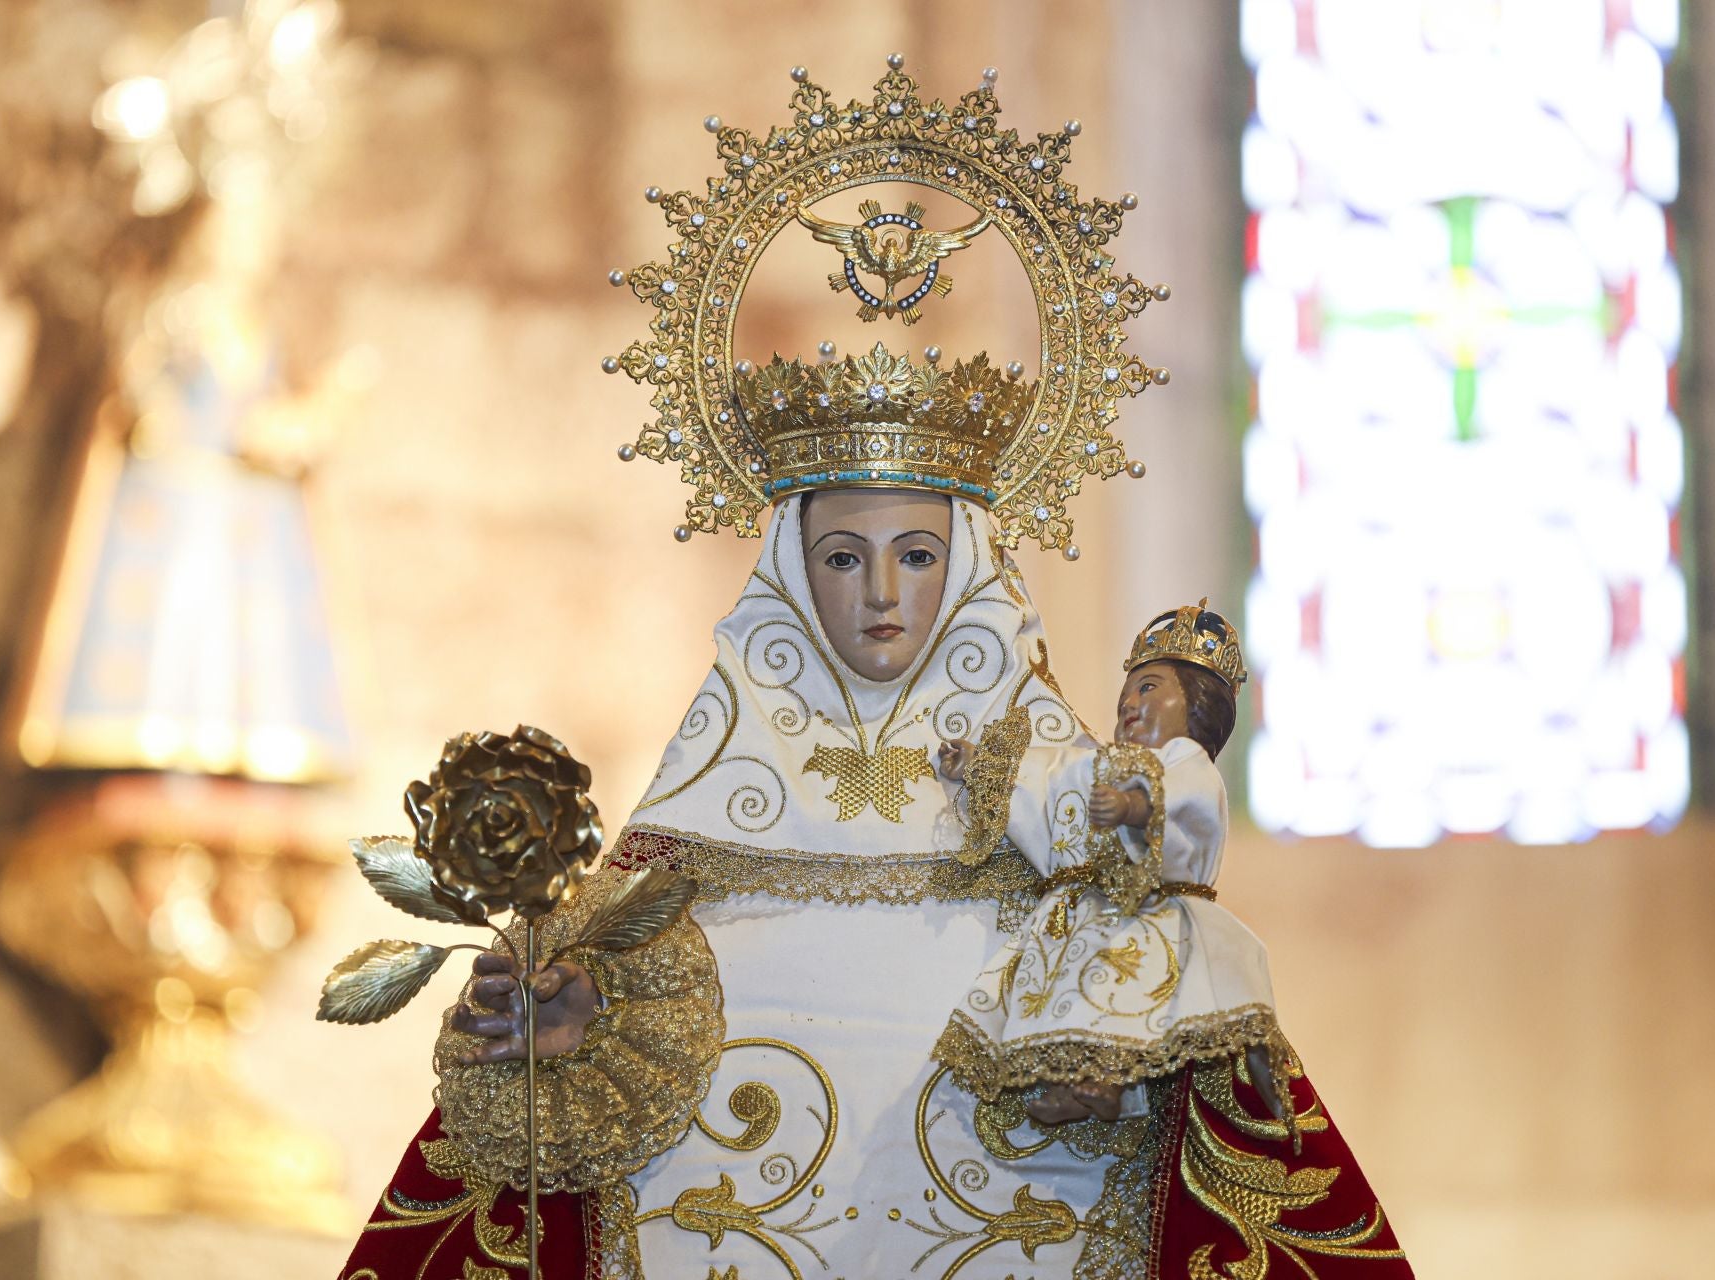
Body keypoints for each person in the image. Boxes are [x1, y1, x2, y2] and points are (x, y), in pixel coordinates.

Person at [338, 58, 1412, 1280]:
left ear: (967, 569)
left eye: (917, 554)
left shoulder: (1060, 807)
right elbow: (576, 1119)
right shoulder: (685, 845)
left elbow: (1182, 1091)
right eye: (843, 556)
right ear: (792, 574)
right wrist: (557, 1033)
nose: (884, 596)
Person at [932, 603, 1292, 1137]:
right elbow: (1042, 781)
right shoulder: (1090, 764)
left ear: (1197, 707)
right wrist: (978, 766)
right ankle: (1073, 1081)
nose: (1129, 701)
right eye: (1126, 692)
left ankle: (1104, 1085)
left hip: (1151, 913)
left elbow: (1189, 804)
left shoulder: (1185, 761)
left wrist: (1134, 808)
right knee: (1070, 993)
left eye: (1148, 688)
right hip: (1080, 913)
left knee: (1120, 991)